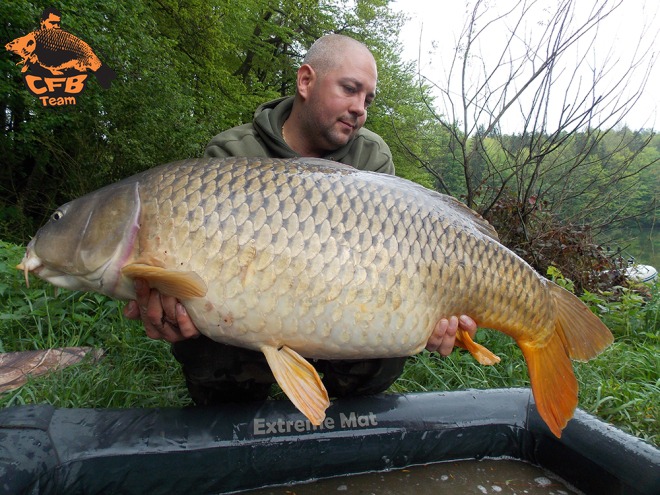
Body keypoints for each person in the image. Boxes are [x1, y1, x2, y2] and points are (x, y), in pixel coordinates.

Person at [124, 34, 478, 405]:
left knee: (389, 340)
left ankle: (345, 419)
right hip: (249, 313)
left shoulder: (372, 158)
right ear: (305, 81)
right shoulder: (233, 153)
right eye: (349, 89)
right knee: (206, 338)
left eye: (367, 99)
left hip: (342, 305)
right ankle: (237, 410)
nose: (360, 108)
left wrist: (431, 318)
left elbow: (399, 258)